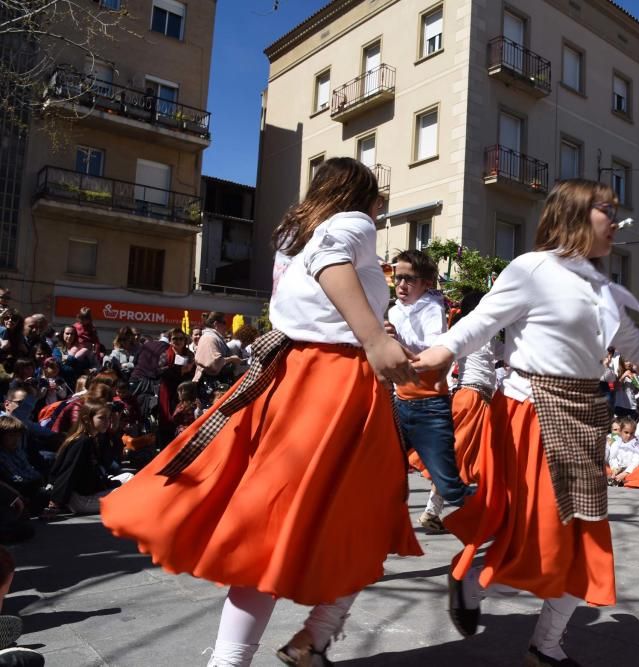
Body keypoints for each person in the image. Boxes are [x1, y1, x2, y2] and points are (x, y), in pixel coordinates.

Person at [101, 157, 422, 667]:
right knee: (362, 518)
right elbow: (332, 267)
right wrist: (375, 337)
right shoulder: (352, 222)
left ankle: (292, 645)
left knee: (275, 524)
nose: (380, 208)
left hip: (293, 371)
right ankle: (298, 642)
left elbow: (313, 299)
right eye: (377, 197)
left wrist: (382, 338)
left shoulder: (294, 236)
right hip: (333, 382)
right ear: (360, 194)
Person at [413, 179, 639, 664]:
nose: (616, 219)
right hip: (534, 414)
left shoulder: (602, 285)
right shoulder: (531, 268)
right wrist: (435, 356)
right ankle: (473, 585)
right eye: (605, 210)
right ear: (573, 216)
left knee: (585, 535)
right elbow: (478, 323)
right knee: (541, 532)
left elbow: (638, 349)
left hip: (584, 419)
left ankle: (545, 644)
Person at [387, 249, 472, 533]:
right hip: (399, 403)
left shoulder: (432, 308)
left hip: (429, 408)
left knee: (449, 486)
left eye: (409, 279)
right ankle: (386, 530)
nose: (401, 284)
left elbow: (433, 355)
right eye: (397, 277)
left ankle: (500, 520)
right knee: (387, 473)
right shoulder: (393, 311)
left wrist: (395, 342)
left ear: (426, 282)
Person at [49, 399, 133, 515]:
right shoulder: (82, 442)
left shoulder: (96, 438)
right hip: (81, 499)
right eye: (101, 418)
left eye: (108, 418)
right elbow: (68, 472)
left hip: (93, 488)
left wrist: (114, 430)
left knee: (130, 477)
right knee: (132, 494)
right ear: (86, 420)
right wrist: (55, 503)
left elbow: (106, 463)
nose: (107, 422)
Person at [449, 291, 498, 487]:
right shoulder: (464, 327)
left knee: (477, 454)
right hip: (469, 395)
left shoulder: (489, 333)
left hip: (485, 398)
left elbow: (505, 353)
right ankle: (431, 509)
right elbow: (446, 351)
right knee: (457, 450)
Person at [193, 313, 241, 402]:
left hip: (216, 385)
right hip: (211, 387)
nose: (226, 326)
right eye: (224, 323)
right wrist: (231, 359)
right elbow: (213, 363)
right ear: (215, 324)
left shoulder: (213, 337)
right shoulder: (209, 338)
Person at [607, 417, 639, 487]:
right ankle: (615, 478)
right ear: (621, 431)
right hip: (618, 469)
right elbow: (613, 458)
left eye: (631, 433)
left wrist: (625, 473)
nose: (629, 435)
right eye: (626, 432)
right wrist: (615, 469)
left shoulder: (637, 444)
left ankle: (624, 480)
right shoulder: (616, 443)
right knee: (604, 469)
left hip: (630, 470)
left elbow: (637, 462)